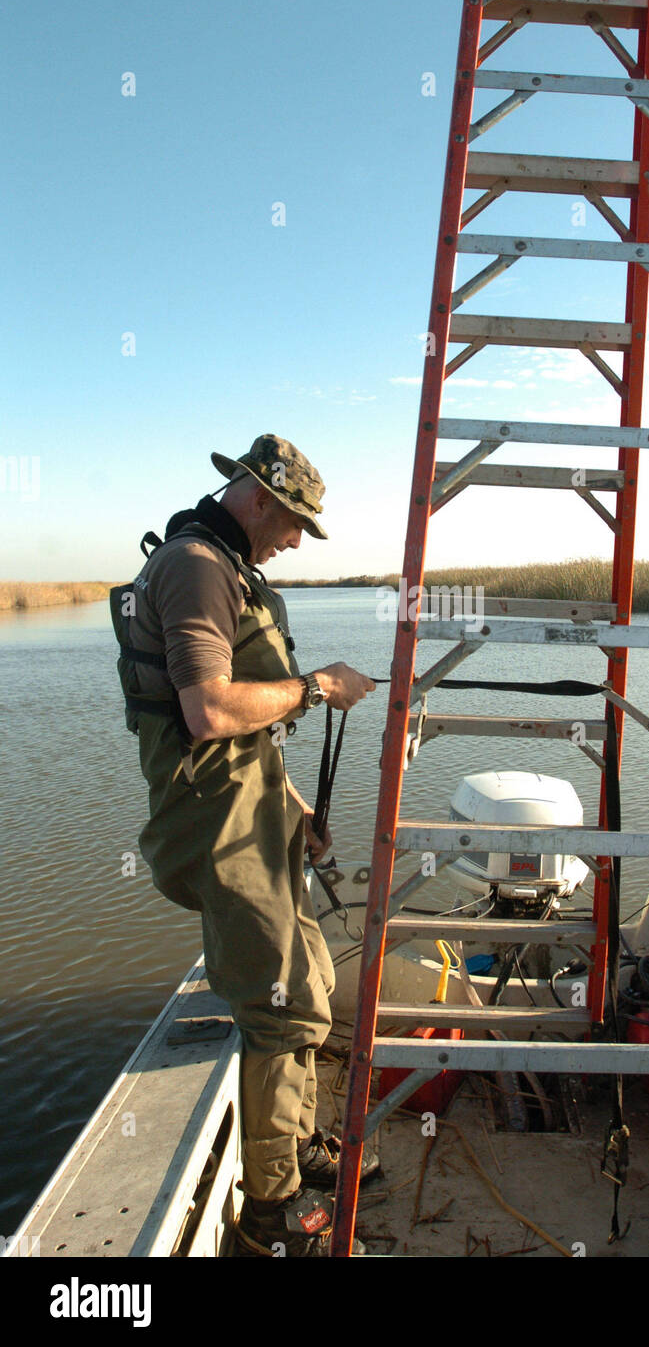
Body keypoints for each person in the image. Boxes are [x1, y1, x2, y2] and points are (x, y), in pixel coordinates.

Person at [110, 434, 378, 1257]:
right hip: (213, 826)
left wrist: (295, 808)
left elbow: (248, 743)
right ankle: (275, 1211)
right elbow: (210, 714)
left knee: (314, 977)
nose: (296, 538)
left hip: (252, 813)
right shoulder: (196, 566)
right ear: (256, 497)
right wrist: (316, 687)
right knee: (281, 1004)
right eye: (293, 519)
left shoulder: (230, 566)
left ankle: (293, 1141)